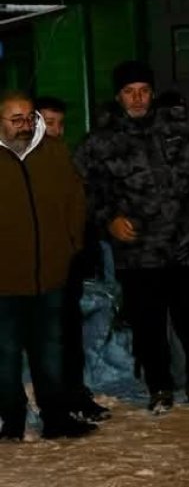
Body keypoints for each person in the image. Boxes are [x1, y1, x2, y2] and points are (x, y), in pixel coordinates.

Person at [74, 61, 189, 412]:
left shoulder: (181, 129)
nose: (137, 98)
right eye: (130, 92)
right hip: (138, 251)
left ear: (152, 93)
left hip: (184, 244)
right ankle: (159, 387)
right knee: (149, 326)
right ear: (118, 97)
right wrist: (108, 220)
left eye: (143, 91)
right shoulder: (99, 142)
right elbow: (83, 191)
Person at [0, 91, 97, 440]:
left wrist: (71, 244)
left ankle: (56, 417)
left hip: (50, 276)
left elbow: (76, 200)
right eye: (16, 119)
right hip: (4, 283)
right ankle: (10, 420)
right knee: (5, 357)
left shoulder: (54, 153)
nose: (25, 125)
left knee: (50, 352)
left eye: (29, 118)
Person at [35, 95, 110, 422]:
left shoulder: (67, 159)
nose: (56, 130)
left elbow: (80, 208)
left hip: (67, 264)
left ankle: (76, 394)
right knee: (45, 338)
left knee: (69, 334)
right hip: (36, 269)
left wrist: (84, 247)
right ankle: (55, 402)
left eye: (60, 124)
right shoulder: (22, 163)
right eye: (49, 123)